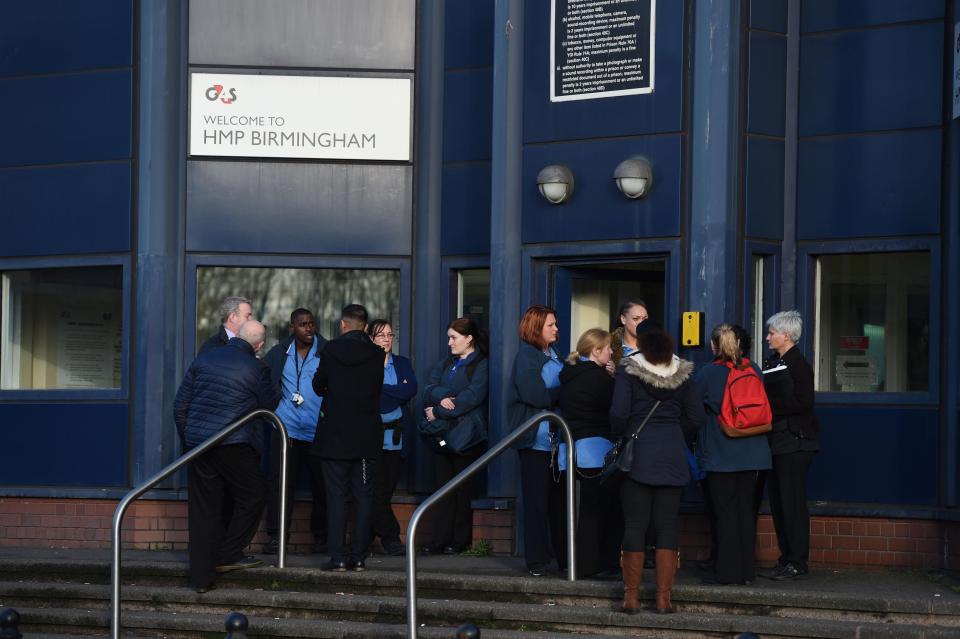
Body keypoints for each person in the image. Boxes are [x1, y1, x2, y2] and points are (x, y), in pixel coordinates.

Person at [173, 320, 280, 593]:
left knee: (204, 510)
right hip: (234, 443)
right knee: (254, 494)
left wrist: (190, 438)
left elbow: (180, 405)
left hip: (200, 445)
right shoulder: (257, 367)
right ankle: (228, 552)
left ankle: (201, 579)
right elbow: (269, 404)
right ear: (259, 345)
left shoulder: (204, 360)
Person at [610, 329, 699, 614]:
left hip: (638, 454)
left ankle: (631, 597)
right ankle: (663, 599)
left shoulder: (628, 371)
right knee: (667, 526)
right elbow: (696, 416)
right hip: (672, 454)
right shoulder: (683, 373)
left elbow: (618, 413)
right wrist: (676, 434)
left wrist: (625, 435)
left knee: (635, 524)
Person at [694, 324, 772, 586]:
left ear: (714, 346)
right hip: (755, 452)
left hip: (721, 451)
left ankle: (727, 573)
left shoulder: (707, 373)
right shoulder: (754, 369)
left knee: (724, 513)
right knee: (746, 512)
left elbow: (692, 410)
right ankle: (746, 572)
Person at [311, 304, 384, 572]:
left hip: (334, 436)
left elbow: (318, 385)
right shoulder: (377, 354)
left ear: (343, 324)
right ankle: (360, 556)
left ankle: (338, 557)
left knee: (336, 497)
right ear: (365, 326)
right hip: (365, 436)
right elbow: (377, 389)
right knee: (364, 497)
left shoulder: (330, 350)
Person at [261, 308, 328, 555]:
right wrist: (272, 408)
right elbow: (263, 381)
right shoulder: (280, 352)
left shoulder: (326, 351)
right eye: (303, 325)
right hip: (285, 428)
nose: (309, 328)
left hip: (317, 430)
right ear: (292, 328)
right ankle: (277, 538)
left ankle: (322, 538)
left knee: (321, 486)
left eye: (312, 323)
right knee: (280, 485)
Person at [555, 328, 621, 579]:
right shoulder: (600, 380)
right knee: (599, 510)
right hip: (596, 450)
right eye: (607, 349)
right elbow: (616, 411)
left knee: (579, 510)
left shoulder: (568, 374)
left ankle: (577, 563)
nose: (612, 352)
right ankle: (597, 564)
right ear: (595, 351)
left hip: (570, 449)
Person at [420, 318, 488, 554]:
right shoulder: (447, 363)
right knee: (442, 489)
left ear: (469, 339)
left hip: (465, 437)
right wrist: (445, 397)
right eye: (449, 337)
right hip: (442, 435)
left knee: (463, 490)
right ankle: (439, 539)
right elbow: (428, 388)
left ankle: (459, 541)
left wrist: (438, 409)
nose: (449, 343)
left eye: (453, 338)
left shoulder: (481, 364)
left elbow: (472, 397)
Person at [760, 310, 819, 581]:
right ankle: (787, 557)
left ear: (786, 335)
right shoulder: (776, 361)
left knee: (792, 503)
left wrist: (768, 407)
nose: (768, 337)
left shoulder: (798, 365)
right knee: (780, 503)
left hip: (794, 443)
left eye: (772, 332)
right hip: (778, 443)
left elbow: (804, 403)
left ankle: (797, 561)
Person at [506, 305, 562, 577]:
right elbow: (535, 394)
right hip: (534, 442)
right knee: (537, 502)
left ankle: (562, 556)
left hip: (556, 443)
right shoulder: (527, 356)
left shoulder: (552, 354)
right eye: (550, 324)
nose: (556, 329)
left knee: (557, 503)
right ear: (536, 327)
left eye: (555, 324)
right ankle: (537, 560)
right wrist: (564, 393)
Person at [367, 319, 418, 556]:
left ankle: (365, 535)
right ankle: (391, 538)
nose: (387, 339)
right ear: (371, 338)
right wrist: (393, 393)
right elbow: (371, 397)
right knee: (376, 491)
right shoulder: (366, 364)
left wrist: (383, 390)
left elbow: (410, 390)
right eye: (381, 335)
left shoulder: (402, 363)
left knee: (384, 491)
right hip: (373, 440)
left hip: (397, 439)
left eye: (390, 335)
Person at [611, 299, 651, 363]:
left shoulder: (657, 348)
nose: (641, 323)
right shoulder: (608, 346)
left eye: (645, 319)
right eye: (636, 318)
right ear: (623, 319)